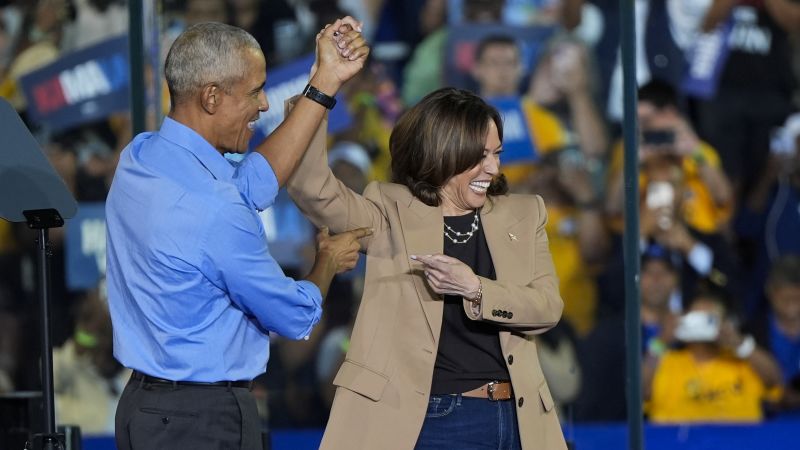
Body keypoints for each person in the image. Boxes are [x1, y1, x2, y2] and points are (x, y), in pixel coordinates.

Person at [106, 19, 370, 450]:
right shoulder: (216, 210)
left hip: (142, 409)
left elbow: (253, 181)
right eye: (254, 91)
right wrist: (326, 262)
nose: (264, 104)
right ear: (211, 96)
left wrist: (324, 82)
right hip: (203, 423)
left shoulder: (141, 155)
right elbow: (292, 316)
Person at [286, 87, 566, 449]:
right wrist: (320, 93)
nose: (494, 168)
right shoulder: (390, 209)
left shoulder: (526, 214)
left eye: (497, 154)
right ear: (445, 151)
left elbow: (547, 306)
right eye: (480, 157)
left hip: (518, 418)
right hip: (430, 417)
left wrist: (476, 289)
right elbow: (314, 190)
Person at [645, 284, 783, 423]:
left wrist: (739, 343)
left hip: (736, 442)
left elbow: (775, 381)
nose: (702, 325)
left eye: (710, 319)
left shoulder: (743, 362)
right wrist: (661, 341)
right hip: (677, 442)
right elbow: (639, 393)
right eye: (697, 318)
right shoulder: (665, 362)